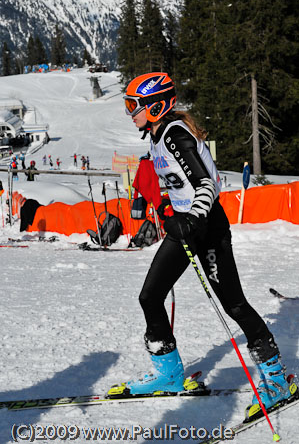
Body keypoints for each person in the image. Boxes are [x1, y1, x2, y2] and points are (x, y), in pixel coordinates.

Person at [122, 72, 293, 412]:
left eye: (134, 105)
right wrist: (170, 211)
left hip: (207, 227)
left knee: (235, 305)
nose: (131, 113)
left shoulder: (175, 134)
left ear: (155, 106)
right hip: (186, 228)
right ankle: (169, 374)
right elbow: (174, 185)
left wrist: (192, 217)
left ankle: (276, 378)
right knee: (150, 296)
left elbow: (206, 183)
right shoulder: (156, 138)